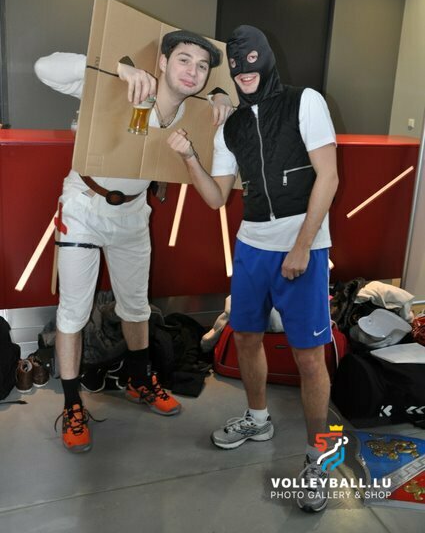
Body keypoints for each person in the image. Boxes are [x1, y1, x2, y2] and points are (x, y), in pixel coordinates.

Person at [167, 25, 339, 513]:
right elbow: (217, 197)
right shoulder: (232, 126)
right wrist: (191, 158)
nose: (245, 72)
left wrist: (302, 246)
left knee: (309, 357)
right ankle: (258, 419)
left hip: (303, 246)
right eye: (236, 65)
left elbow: (328, 176)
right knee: (244, 337)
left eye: (252, 61)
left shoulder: (305, 102)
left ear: (266, 58)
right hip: (252, 247)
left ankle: (319, 458)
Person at [34, 30, 229, 454]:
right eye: (184, 59)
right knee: (73, 311)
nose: (192, 71)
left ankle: (140, 379)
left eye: (202, 66)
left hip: (133, 213)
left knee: (136, 306)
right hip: (85, 206)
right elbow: (43, 68)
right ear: (163, 61)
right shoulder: (124, 86)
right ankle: (72, 405)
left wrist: (221, 95)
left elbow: (225, 98)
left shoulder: (195, 110)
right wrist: (116, 71)